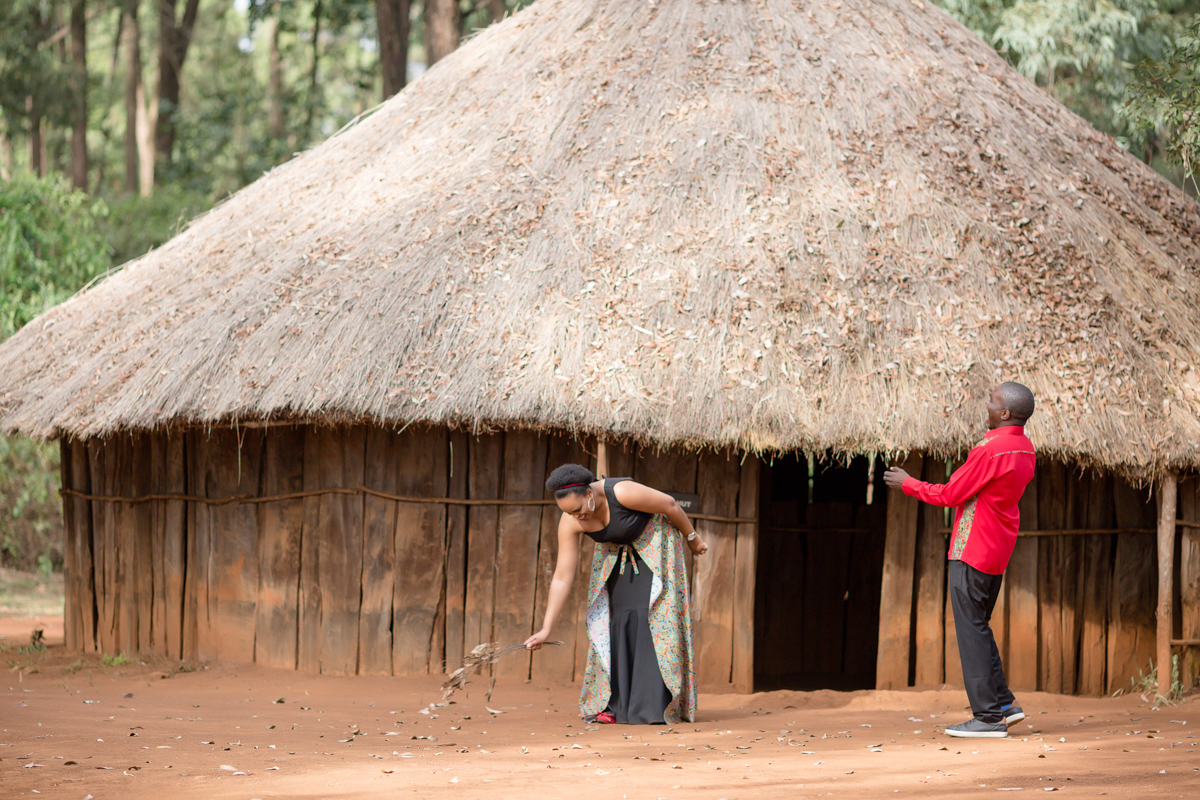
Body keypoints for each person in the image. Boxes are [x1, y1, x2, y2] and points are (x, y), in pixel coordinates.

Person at [883, 382, 1037, 738]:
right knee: (979, 625)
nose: (986, 402)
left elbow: (952, 494)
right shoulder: (1026, 449)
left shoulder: (989, 449)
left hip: (972, 549)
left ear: (1004, 414)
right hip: (998, 549)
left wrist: (909, 483)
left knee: (971, 631)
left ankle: (986, 718)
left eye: (992, 399)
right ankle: (1004, 704)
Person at [525, 463, 707, 724]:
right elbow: (563, 577)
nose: (576, 517)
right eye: (568, 513)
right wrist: (546, 629)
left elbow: (669, 505)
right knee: (615, 618)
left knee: (653, 617)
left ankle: (654, 706)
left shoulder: (621, 492)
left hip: (654, 545)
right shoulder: (571, 520)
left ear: (590, 494)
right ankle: (618, 705)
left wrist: (692, 539)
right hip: (616, 555)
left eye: (578, 510)